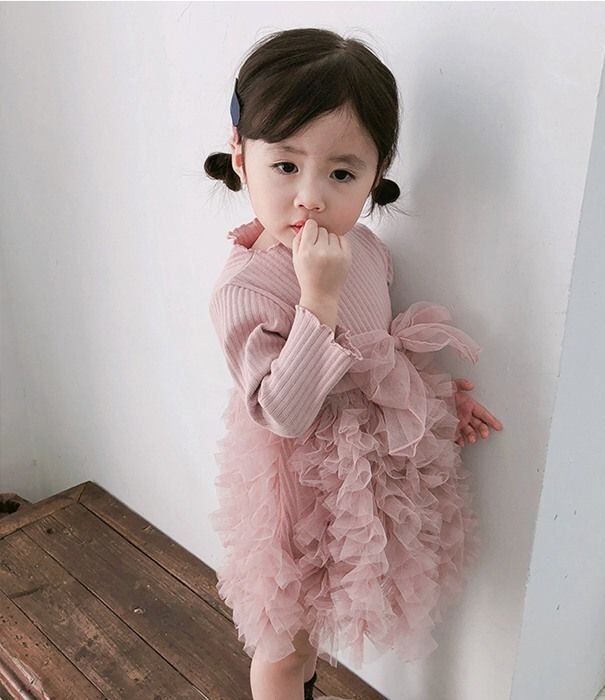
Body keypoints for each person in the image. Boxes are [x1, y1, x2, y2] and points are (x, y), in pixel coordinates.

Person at [204, 27, 503, 700]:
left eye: (341, 173)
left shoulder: (363, 247)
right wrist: (318, 297)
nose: (311, 196)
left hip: (366, 476)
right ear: (241, 156)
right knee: (285, 641)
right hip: (296, 486)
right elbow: (282, 412)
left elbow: (380, 354)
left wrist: (440, 403)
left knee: (331, 615)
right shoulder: (246, 288)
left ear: (375, 174)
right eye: (286, 166)